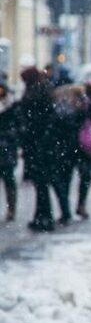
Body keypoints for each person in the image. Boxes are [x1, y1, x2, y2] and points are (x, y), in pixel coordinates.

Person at [20, 67, 57, 231]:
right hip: (40, 143)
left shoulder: (37, 91)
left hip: (40, 144)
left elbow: (36, 116)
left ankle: (45, 217)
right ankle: (41, 216)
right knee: (40, 184)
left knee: (41, 183)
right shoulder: (42, 88)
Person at [51, 85, 87, 225]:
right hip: (76, 148)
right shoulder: (79, 108)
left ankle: (66, 210)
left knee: (63, 179)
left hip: (66, 149)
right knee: (70, 178)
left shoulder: (60, 109)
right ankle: (72, 208)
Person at [0, 81, 19, 221]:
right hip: (6, 145)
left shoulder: (11, 105)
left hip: (7, 148)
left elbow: (17, 125)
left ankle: (11, 208)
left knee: (9, 179)